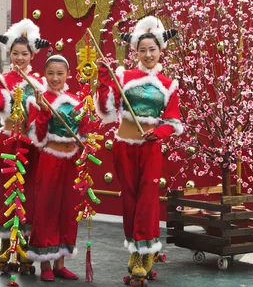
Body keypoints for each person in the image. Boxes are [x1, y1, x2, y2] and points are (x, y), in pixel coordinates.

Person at [95, 16, 183, 279]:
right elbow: (108, 109)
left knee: (147, 198)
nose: (147, 54)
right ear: (136, 51)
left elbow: (173, 121)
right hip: (124, 146)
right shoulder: (123, 76)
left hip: (150, 148)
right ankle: (136, 248)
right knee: (130, 198)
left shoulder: (168, 84)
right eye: (142, 50)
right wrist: (103, 79)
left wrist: (157, 132)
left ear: (160, 51)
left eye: (152, 49)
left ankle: (145, 251)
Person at [0, 19, 49, 270]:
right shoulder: (2, 80)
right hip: (8, 143)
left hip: (30, 146)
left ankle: (23, 244)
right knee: (6, 193)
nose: (20, 58)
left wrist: (42, 106)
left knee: (29, 194)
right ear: (9, 54)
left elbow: (44, 119)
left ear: (32, 56)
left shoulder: (39, 84)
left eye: (25, 54)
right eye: (15, 53)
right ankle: (4, 244)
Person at [26, 55, 82, 282]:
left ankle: (61, 263)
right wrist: (43, 112)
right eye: (51, 73)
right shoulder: (38, 101)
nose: (55, 78)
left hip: (71, 161)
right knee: (47, 210)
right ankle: (45, 264)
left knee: (68, 211)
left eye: (60, 73)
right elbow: (38, 138)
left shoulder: (75, 100)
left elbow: (83, 131)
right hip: (49, 160)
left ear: (68, 75)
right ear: (44, 74)